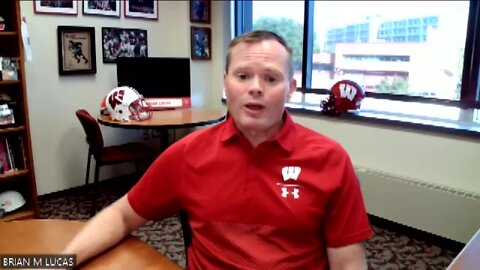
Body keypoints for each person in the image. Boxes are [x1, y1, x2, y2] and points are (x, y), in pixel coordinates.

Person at [63, 30, 373, 269]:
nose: (255, 87)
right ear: (226, 84)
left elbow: (348, 262)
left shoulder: (330, 161)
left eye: (271, 78)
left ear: (290, 90)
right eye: (242, 76)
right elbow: (121, 215)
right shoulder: (187, 155)